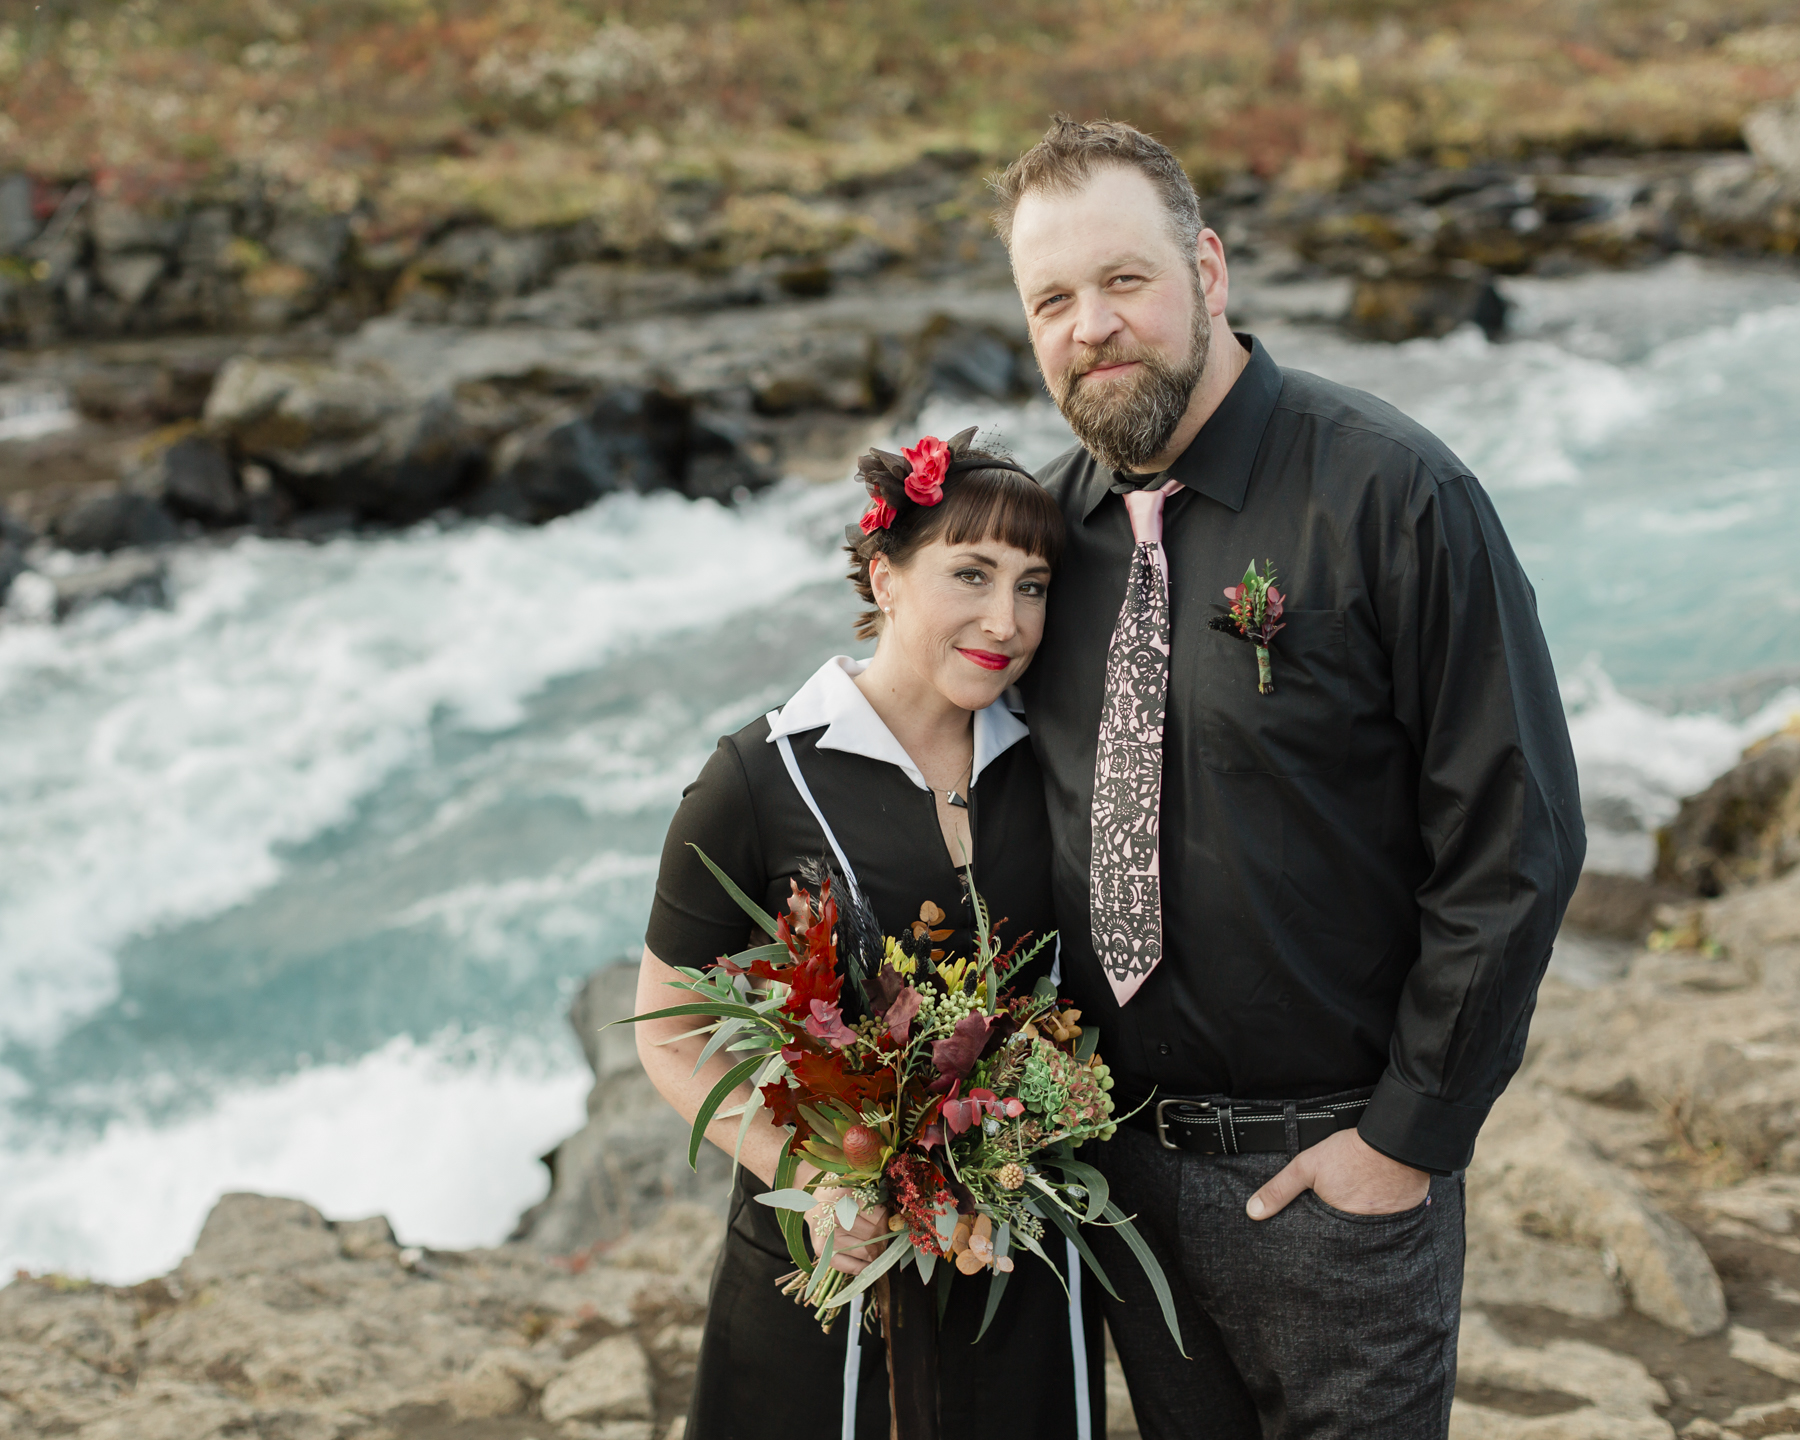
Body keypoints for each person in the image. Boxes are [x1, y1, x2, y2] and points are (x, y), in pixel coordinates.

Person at [991, 117, 1586, 1439]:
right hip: (1120, 1180)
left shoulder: (1398, 495)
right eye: (1053, 299)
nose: (1092, 326)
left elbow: (1519, 835)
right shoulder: (1038, 545)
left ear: (1207, 271)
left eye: (1124, 280)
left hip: (1341, 1193)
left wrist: (1407, 1141)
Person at [636, 430, 1106, 1440]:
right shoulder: (758, 778)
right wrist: (808, 1180)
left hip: (1014, 1252)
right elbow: (664, 1032)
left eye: (1033, 587)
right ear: (884, 576)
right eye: (971, 575)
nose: (1006, 620)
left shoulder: (1056, 755)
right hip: (829, 1260)